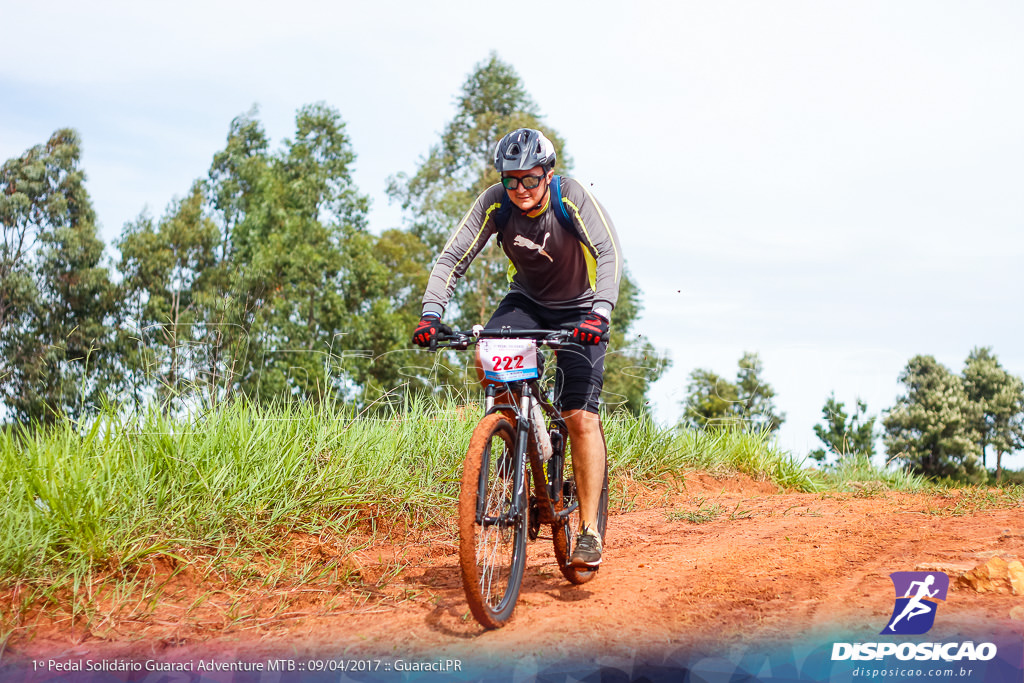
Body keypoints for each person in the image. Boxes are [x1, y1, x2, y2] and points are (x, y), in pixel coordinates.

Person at [411, 128, 623, 569]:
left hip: (580, 309)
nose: (521, 189)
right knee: (486, 353)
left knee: (580, 415)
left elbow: (608, 252)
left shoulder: (571, 198)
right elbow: (452, 257)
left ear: (548, 173)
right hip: (525, 302)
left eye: (530, 179)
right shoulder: (496, 202)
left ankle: (588, 530)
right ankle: (526, 434)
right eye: (511, 180)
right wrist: (431, 314)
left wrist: (600, 313)